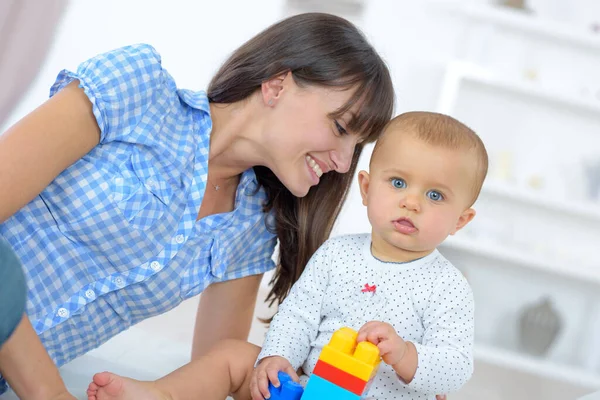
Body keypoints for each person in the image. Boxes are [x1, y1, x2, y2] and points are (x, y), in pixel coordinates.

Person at [0, 12, 394, 400]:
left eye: (356, 147)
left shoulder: (251, 225)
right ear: (277, 86)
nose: (344, 162)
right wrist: (48, 391)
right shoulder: (139, 91)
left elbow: (219, 372)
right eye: (341, 127)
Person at [85, 111, 488, 400]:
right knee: (232, 356)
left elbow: (455, 366)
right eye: (398, 182)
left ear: (461, 219)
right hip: (305, 387)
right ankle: (162, 394)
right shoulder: (337, 255)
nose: (411, 202)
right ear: (366, 188)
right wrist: (277, 358)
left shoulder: (447, 287)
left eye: (435, 195)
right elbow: (298, 316)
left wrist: (405, 354)